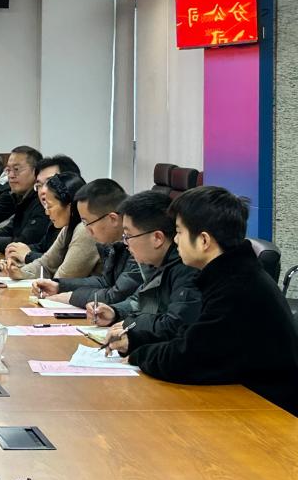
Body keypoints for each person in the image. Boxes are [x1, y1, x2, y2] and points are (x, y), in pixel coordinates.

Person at [118, 186, 298, 416]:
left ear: (203, 240)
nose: (175, 240)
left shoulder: (237, 288)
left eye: (179, 232)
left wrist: (139, 355)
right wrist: (136, 340)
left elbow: (187, 359)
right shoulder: (230, 273)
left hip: (268, 412)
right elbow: (190, 336)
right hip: (240, 397)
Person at [88, 190, 200, 349]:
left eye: (128, 236)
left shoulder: (186, 269)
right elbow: (139, 301)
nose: (125, 243)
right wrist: (115, 312)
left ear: (157, 238)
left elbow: (176, 325)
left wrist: (131, 324)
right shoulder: (157, 262)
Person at [32, 178, 141, 307]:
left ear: (113, 219)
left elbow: (117, 295)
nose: (86, 230)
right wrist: (59, 286)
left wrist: (71, 297)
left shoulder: (138, 242)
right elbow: (105, 282)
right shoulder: (114, 242)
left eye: (87, 222)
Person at [3, 172, 99, 280]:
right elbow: (45, 265)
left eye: (49, 206)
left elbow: (64, 279)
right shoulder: (68, 228)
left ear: (70, 206)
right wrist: (20, 273)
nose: (46, 212)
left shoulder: (84, 230)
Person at [4, 154, 81, 264]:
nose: (44, 191)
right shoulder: (52, 216)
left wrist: (28, 255)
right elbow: (43, 248)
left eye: (50, 183)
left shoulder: (84, 225)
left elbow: (64, 264)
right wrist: (16, 250)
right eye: (39, 185)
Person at [0, 145, 49, 253]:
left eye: (16, 169)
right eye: (8, 170)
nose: (11, 175)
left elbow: (26, 241)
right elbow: (10, 229)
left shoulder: (43, 201)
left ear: (36, 172)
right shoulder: (21, 197)